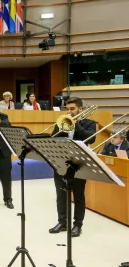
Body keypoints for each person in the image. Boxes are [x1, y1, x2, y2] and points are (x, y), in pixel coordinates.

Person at [48, 97, 96, 237]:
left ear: (80, 109)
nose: (69, 112)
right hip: (61, 162)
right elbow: (53, 139)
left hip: (79, 164)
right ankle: (62, 222)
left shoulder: (89, 123)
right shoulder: (61, 122)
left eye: (72, 109)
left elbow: (91, 138)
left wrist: (76, 124)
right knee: (61, 195)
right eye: (67, 109)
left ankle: (77, 225)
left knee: (78, 196)